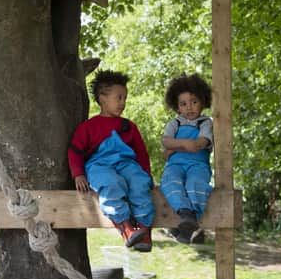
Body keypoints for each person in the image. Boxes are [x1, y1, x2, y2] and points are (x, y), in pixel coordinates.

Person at [68, 70, 155, 252]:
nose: (123, 103)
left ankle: (144, 229)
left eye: (125, 98)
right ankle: (125, 227)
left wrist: (146, 174)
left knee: (139, 183)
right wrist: (78, 174)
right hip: (99, 166)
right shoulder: (88, 127)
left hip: (127, 165)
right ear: (103, 98)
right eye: (119, 97)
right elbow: (75, 151)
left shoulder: (129, 126)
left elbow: (141, 153)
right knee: (112, 183)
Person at [160, 74, 213, 244]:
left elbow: (200, 143)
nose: (189, 107)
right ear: (177, 107)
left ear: (203, 102)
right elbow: (165, 140)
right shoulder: (174, 123)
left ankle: (188, 225)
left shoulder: (205, 123)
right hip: (175, 165)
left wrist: (175, 146)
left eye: (194, 102)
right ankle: (184, 213)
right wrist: (185, 144)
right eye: (183, 104)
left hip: (198, 164)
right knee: (169, 182)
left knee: (195, 185)